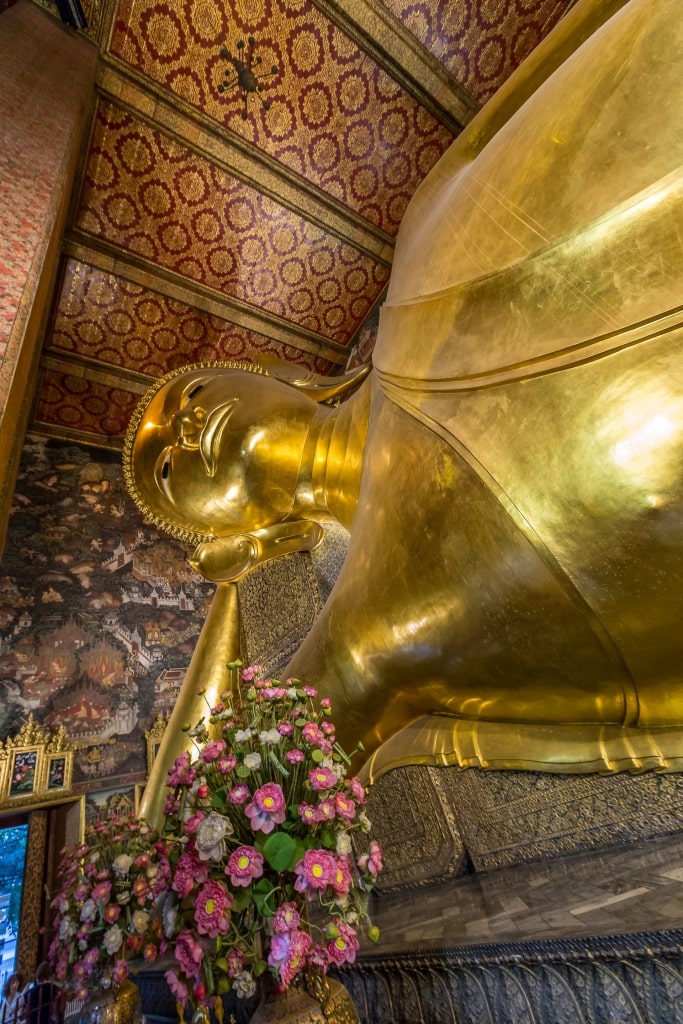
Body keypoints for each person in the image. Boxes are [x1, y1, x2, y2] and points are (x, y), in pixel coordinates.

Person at [125, 0, 683, 789]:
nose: (180, 432)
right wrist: (231, 588)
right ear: (246, 528)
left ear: (279, 375)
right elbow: (213, 814)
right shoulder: (371, 628)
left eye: (187, 396)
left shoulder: (426, 229)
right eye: (170, 471)